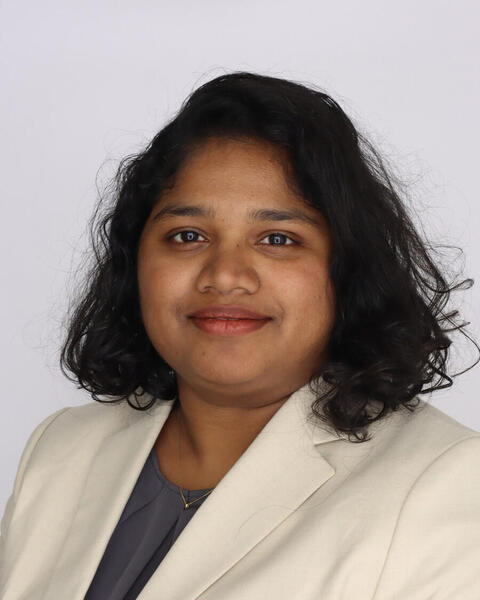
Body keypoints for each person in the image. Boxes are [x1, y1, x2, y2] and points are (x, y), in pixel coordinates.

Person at [1, 71, 479, 600]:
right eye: (187, 235)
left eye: (277, 239)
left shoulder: (446, 482)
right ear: (135, 261)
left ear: (347, 269)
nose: (225, 275)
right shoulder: (61, 449)